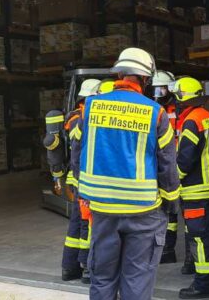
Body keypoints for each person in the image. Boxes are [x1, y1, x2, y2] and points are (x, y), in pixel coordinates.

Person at [76, 48, 180, 300]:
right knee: (137, 281)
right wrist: (171, 202)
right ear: (145, 79)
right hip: (143, 211)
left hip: (102, 210)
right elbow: (167, 164)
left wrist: (84, 191)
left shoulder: (90, 107)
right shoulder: (156, 113)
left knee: (102, 279)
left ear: (119, 74)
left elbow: (77, 150)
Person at [170, 77, 209, 298]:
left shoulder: (191, 121)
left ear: (183, 97)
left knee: (199, 238)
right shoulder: (208, 117)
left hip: (195, 190)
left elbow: (185, 159)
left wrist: (172, 180)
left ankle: (203, 285)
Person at [43, 78, 101, 283]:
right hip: (83, 180)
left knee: (76, 226)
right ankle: (86, 269)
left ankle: (69, 268)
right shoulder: (84, 118)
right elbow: (79, 153)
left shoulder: (74, 116)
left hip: (75, 179)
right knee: (87, 225)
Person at [152, 70, 186, 267]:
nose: (158, 92)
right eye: (156, 88)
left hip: (177, 162)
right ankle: (164, 248)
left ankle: (174, 251)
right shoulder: (153, 108)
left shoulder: (179, 109)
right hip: (160, 163)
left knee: (178, 211)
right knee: (163, 211)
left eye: (162, 88)